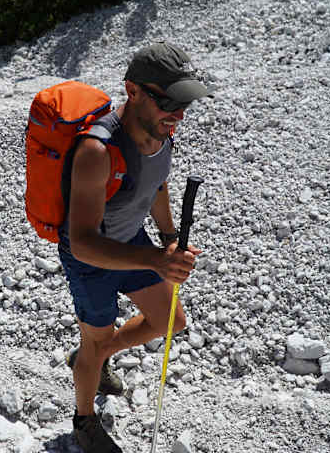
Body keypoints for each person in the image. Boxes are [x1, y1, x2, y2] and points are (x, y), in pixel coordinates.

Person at [58, 42, 213, 453]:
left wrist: (168, 237)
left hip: (136, 244)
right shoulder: (96, 151)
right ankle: (84, 419)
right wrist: (156, 259)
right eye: (169, 103)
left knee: (171, 321)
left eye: (184, 105)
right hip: (90, 260)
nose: (178, 115)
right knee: (95, 340)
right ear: (134, 91)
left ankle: (92, 356)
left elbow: (155, 184)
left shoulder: (161, 134)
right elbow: (84, 243)